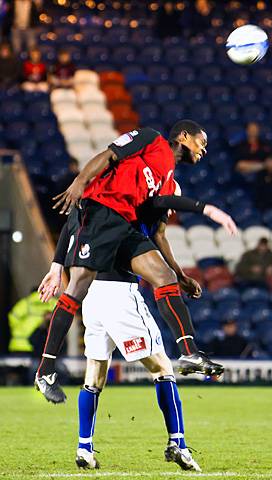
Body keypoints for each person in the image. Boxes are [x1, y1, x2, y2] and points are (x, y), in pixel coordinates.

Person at [35, 122, 237, 403]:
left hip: (125, 227)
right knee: (77, 290)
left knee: (164, 277)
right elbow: (108, 156)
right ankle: (45, 372)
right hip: (101, 215)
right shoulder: (151, 140)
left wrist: (180, 274)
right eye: (201, 142)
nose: (204, 149)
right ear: (184, 137)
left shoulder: (168, 180)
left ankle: (189, 353)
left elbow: (159, 232)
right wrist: (79, 183)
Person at [38, 192, 206, 470]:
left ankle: (84, 448)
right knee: (163, 369)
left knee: (95, 374)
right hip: (120, 294)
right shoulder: (132, 196)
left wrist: (56, 266)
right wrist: (203, 209)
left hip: (90, 294)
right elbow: (158, 231)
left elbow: (70, 224)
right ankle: (178, 443)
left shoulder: (90, 199)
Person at [8, 287, 56, 353]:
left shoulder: (26, 303)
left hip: (20, 345)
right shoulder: (53, 303)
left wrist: (20, 329)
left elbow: (12, 318)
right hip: (45, 347)